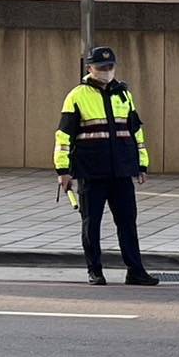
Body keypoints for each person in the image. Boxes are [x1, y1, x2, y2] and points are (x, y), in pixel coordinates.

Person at [54, 46, 159, 287]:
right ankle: (95, 271)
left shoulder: (123, 94)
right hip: (92, 171)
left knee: (127, 223)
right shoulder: (76, 96)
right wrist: (63, 171)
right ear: (89, 68)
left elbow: (135, 131)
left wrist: (141, 165)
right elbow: (63, 136)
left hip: (121, 171)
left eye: (110, 67)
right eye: (101, 68)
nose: (106, 71)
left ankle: (135, 271)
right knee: (92, 223)